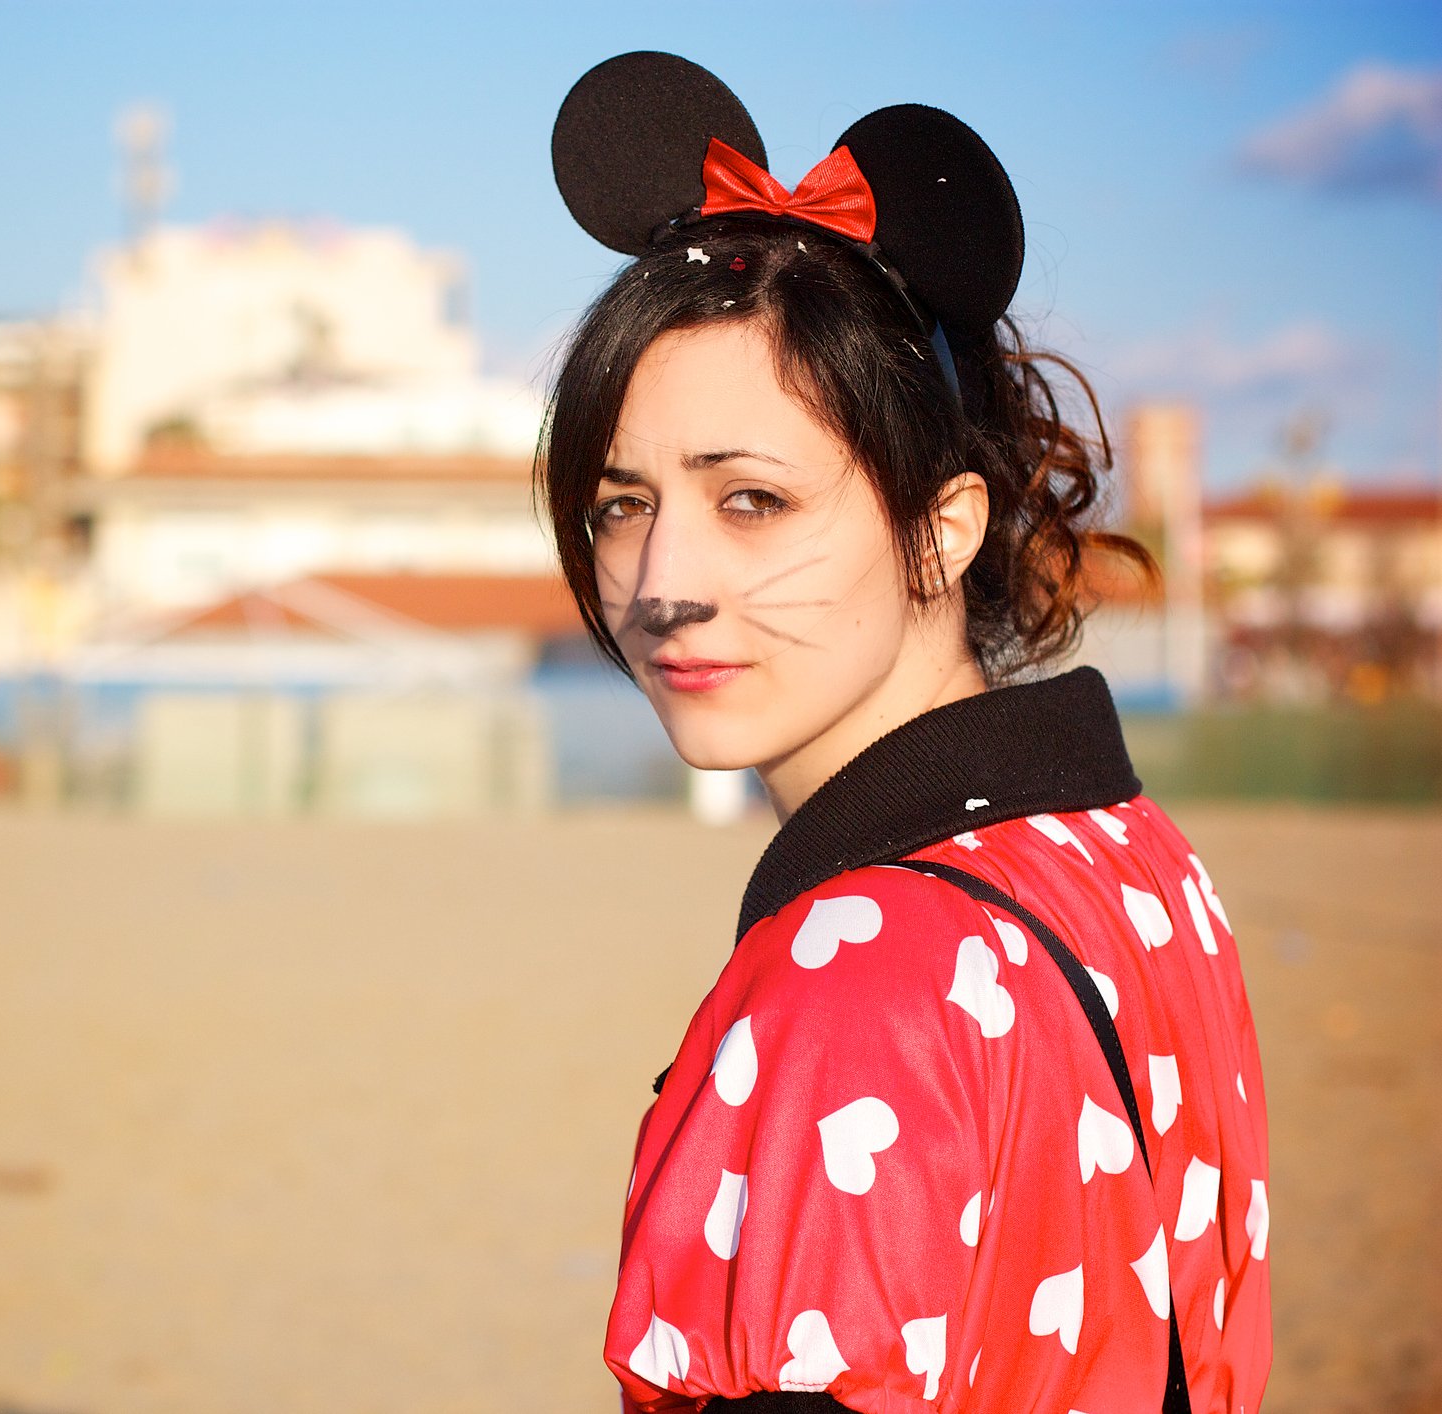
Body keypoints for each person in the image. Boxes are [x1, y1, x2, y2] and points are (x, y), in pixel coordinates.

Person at [540, 54, 1269, 1414]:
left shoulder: (858, 973)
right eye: (618, 503)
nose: (659, 583)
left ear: (940, 527)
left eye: (750, 499)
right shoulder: (1132, 854)